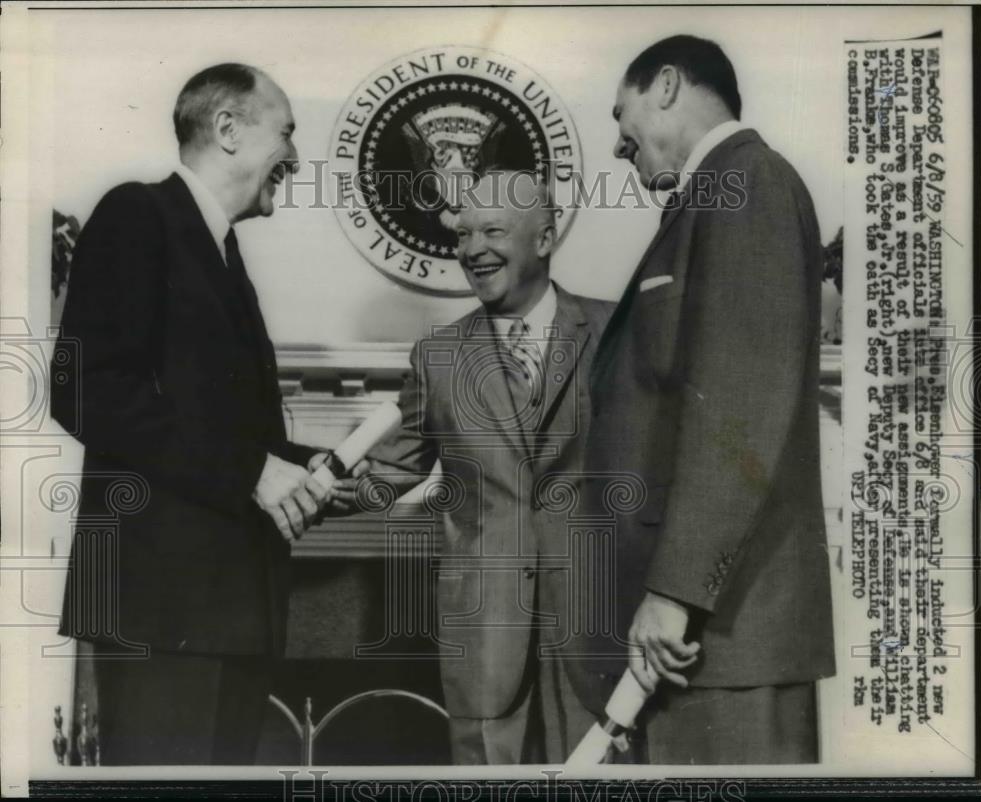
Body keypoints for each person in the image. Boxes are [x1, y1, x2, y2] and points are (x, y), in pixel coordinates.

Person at [50, 63, 335, 765]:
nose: (297, 156)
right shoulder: (137, 214)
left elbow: (219, 430)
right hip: (165, 614)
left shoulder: (222, 252)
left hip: (229, 618)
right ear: (229, 130)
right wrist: (254, 470)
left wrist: (307, 470)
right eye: (288, 131)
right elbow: (86, 389)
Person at [572, 35, 836, 763]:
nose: (620, 149)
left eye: (620, 117)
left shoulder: (750, 182)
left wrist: (675, 593)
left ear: (665, 85)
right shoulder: (715, 195)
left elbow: (739, 417)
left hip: (720, 637)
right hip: (697, 643)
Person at [343, 170, 614, 764]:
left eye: (492, 230)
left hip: (598, 623)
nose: (472, 250)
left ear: (543, 239)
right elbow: (388, 475)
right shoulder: (437, 356)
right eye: (464, 235)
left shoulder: (617, 332)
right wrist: (311, 483)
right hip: (484, 631)